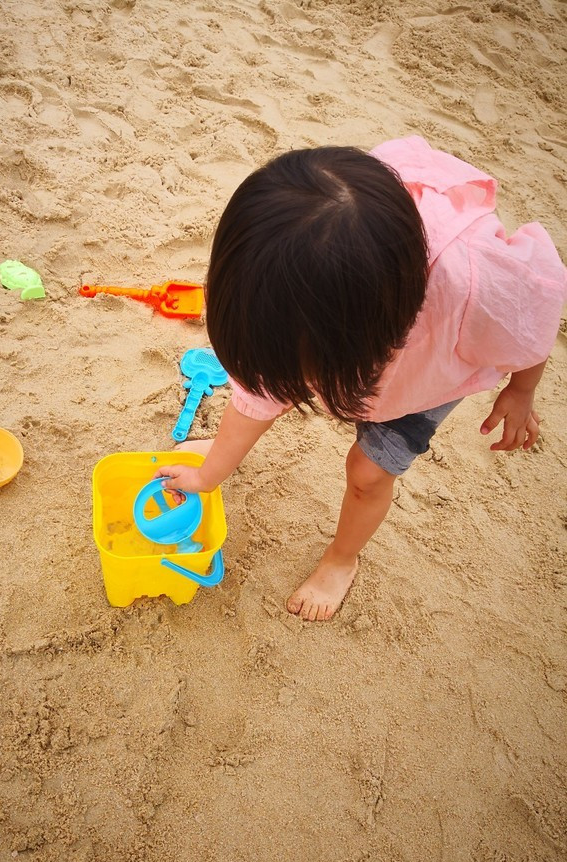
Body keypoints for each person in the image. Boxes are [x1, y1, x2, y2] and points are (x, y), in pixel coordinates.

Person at [155, 135, 565, 621]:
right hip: (357, 315)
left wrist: (522, 389)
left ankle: (341, 559)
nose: (297, 385)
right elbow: (258, 387)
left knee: (368, 474)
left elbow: (534, 314)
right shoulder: (286, 270)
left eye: (306, 370)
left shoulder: (476, 288)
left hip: (427, 369)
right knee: (268, 373)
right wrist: (210, 473)